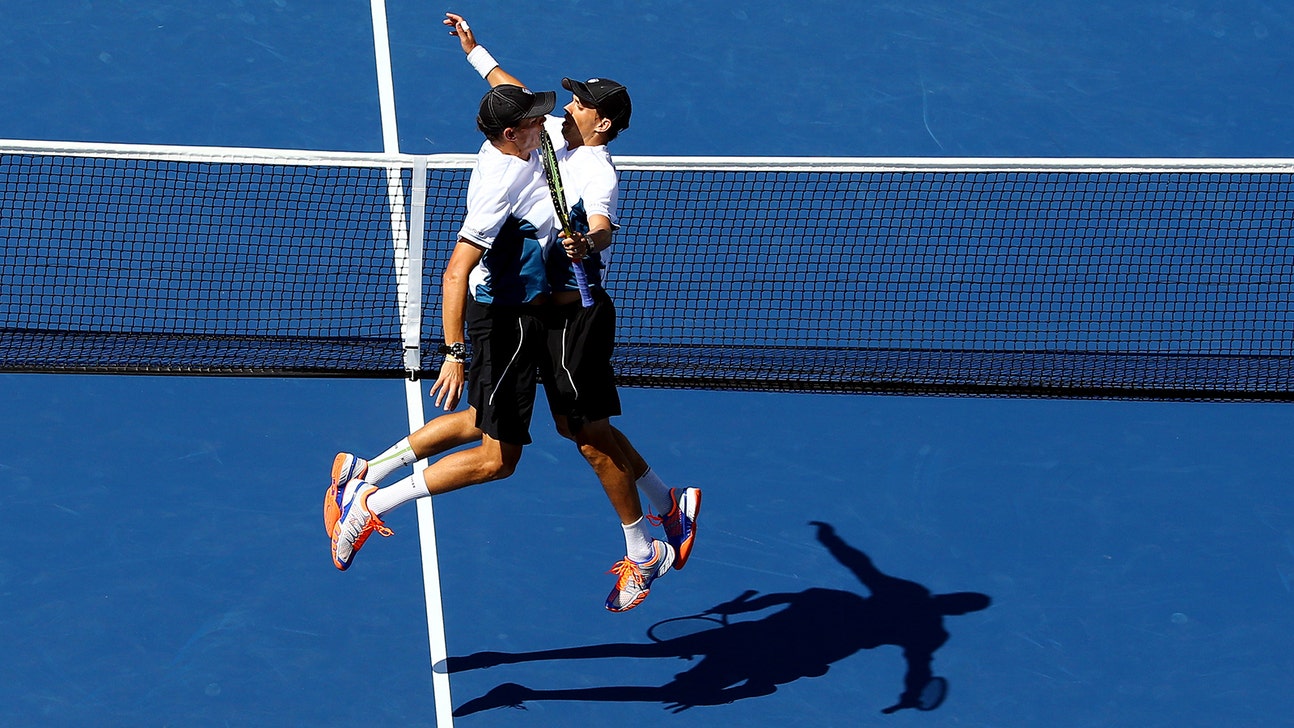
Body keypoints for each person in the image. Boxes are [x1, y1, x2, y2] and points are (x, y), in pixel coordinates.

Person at [444, 12, 701, 611]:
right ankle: (670, 507)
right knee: (586, 431)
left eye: (581, 102)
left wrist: (588, 242)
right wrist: (476, 52)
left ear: (602, 122)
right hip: (548, 317)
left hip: (577, 317)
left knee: (588, 438)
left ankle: (644, 550)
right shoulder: (558, 132)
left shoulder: (595, 168)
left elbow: (603, 224)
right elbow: (513, 96)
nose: (568, 107)